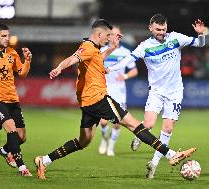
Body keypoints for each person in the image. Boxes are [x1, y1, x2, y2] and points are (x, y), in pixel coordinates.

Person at [34, 19, 196, 180]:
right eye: (108, 35)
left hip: (88, 103)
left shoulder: (94, 49)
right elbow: (72, 58)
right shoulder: (87, 47)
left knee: (83, 141)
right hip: (98, 98)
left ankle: (45, 160)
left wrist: (112, 48)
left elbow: (97, 59)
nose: (109, 38)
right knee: (134, 125)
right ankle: (171, 154)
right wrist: (59, 68)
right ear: (99, 34)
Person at [106, 13, 205, 179]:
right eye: (158, 29)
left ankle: (154, 164)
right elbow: (128, 59)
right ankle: (140, 134)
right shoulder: (145, 46)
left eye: (164, 29)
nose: (161, 32)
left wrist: (201, 34)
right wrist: (110, 69)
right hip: (156, 92)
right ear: (150, 28)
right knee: (149, 125)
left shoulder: (175, 38)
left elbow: (200, 44)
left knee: (167, 128)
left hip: (175, 93)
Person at [0, 23, 32, 176]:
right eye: (3, 36)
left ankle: (4, 150)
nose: (7, 38)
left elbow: (22, 73)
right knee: (11, 129)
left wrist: (27, 60)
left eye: (8, 35)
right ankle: (22, 168)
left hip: (13, 99)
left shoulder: (12, 53)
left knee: (21, 137)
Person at [98, 26, 138, 156]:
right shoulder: (102, 51)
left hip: (119, 90)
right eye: (112, 34)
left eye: (117, 35)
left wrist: (125, 76)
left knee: (117, 121)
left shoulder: (126, 52)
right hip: (104, 88)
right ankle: (104, 140)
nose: (115, 37)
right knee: (103, 122)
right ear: (109, 36)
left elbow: (134, 70)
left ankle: (111, 146)